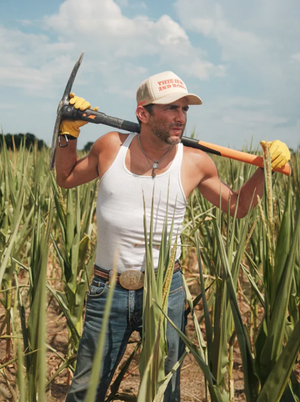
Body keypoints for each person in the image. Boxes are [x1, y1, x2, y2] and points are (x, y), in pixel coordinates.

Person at [55, 71, 290, 402]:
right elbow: (65, 178)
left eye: (184, 109)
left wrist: (264, 170)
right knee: (85, 391)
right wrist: (67, 132)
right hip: (108, 291)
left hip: (167, 291)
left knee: (166, 391)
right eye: (170, 109)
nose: (180, 117)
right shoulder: (110, 147)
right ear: (143, 113)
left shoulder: (195, 162)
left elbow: (236, 207)